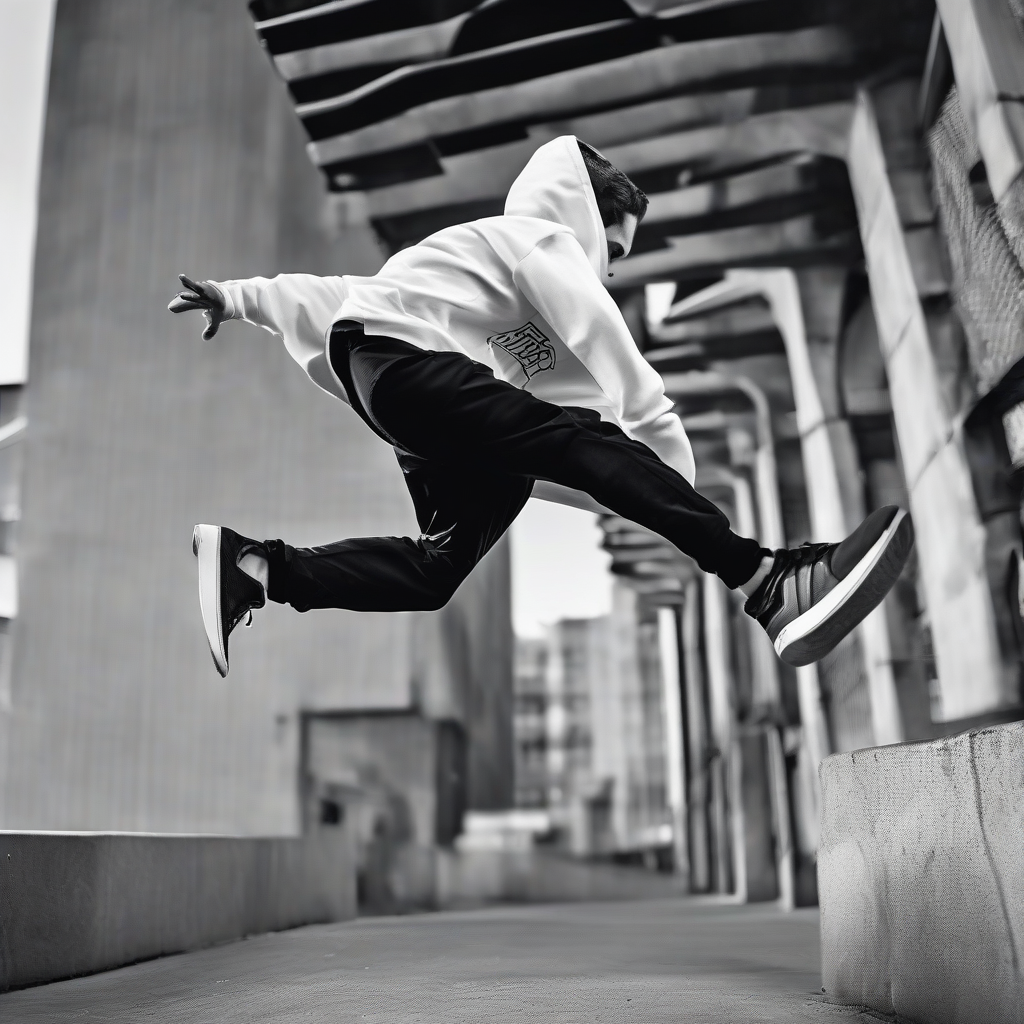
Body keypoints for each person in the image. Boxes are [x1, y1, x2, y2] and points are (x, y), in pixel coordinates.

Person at [169, 135, 913, 677]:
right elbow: (627, 381)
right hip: (399, 366)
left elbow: (335, 294)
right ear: (587, 216)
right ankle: (771, 582)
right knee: (568, 437)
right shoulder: (537, 240)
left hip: (414, 398)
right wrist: (688, 501)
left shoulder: (512, 316)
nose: (612, 269)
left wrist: (240, 300)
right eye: (614, 249)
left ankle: (255, 567)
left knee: (439, 568)